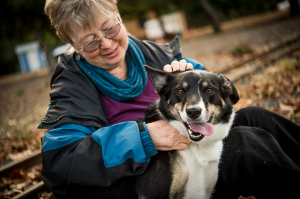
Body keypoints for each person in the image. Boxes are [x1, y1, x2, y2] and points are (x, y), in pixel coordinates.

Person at [39, 0, 300, 198]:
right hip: (153, 177)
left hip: (193, 146)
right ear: (71, 44)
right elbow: (60, 163)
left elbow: (211, 86)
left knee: (257, 116)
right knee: (247, 145)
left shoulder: (152, 53)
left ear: (119, 16)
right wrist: (144, 137)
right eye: (90, 42)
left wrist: (188, 78)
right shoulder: (71, 86)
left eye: (110, 28)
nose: (107, 44)